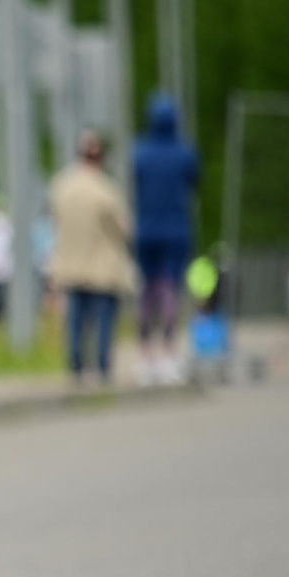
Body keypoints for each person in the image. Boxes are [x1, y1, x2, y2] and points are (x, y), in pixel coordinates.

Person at [48, 129, 134, 384]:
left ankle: (75, 366)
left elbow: (54, 219)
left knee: (75, 318)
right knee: (104, 319)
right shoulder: (107, 190)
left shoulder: (61, 187)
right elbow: (123, 228)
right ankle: (102, 367)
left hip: (71, 262)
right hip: (102, 265)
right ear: (101, 158)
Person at [130, 92, 201, 384]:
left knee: (147, 290)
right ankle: (169, 352)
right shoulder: (185, 153)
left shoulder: (139, 153)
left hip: (146, 230)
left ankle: (146, 355)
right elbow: (195, 184)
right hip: (175, 230)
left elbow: (135, 182)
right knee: (170, 288)